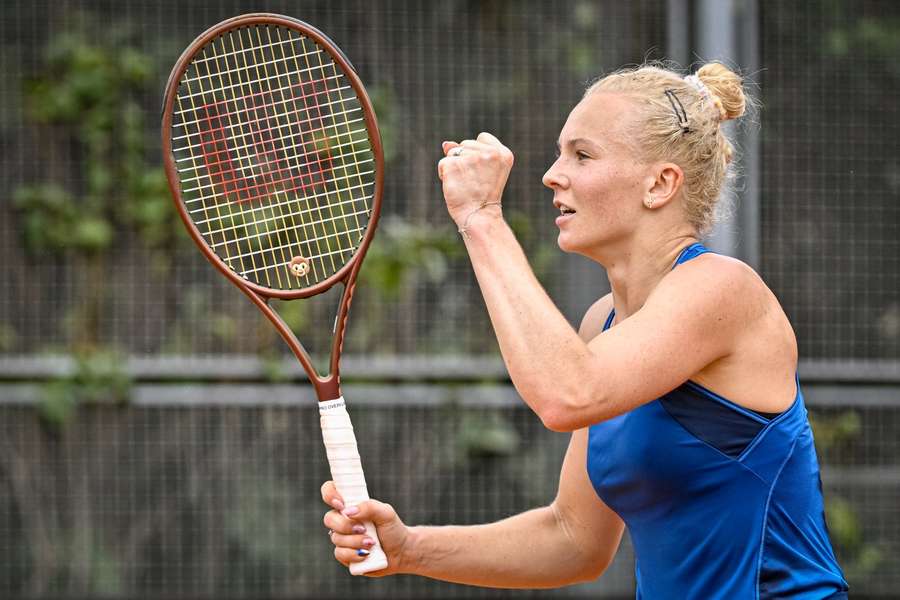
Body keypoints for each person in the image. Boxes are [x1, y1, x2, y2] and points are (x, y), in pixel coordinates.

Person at [321, 62, 849, 599]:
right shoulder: (603, 324)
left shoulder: (722, 289)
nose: (552, 174)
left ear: (660, 184)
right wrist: (409, 547)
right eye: (559, 153)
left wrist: (482, 217)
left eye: (582, 154)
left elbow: (568, 395)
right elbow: (573, 539)